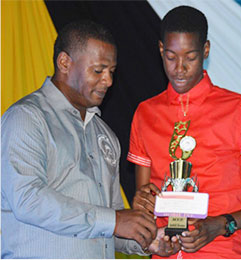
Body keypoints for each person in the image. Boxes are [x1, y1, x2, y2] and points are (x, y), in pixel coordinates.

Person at [0, 20, 158, 258]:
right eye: (98, 70)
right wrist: (114, 220)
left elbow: (105, 226)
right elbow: (27, 200)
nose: (108, 81)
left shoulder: (106, 135)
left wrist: (145, 239)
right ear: (64, 62)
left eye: (112, 71)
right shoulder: (26, 118)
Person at [127, 6, 241, 258]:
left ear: (206, 50)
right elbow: (144, 203)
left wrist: (223, 224)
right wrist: (144, 209)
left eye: (190, 57)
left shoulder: (239, 109)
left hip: (223, 251)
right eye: (171, 57)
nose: (179, 68)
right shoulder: (145, 113)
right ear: (161, 50)